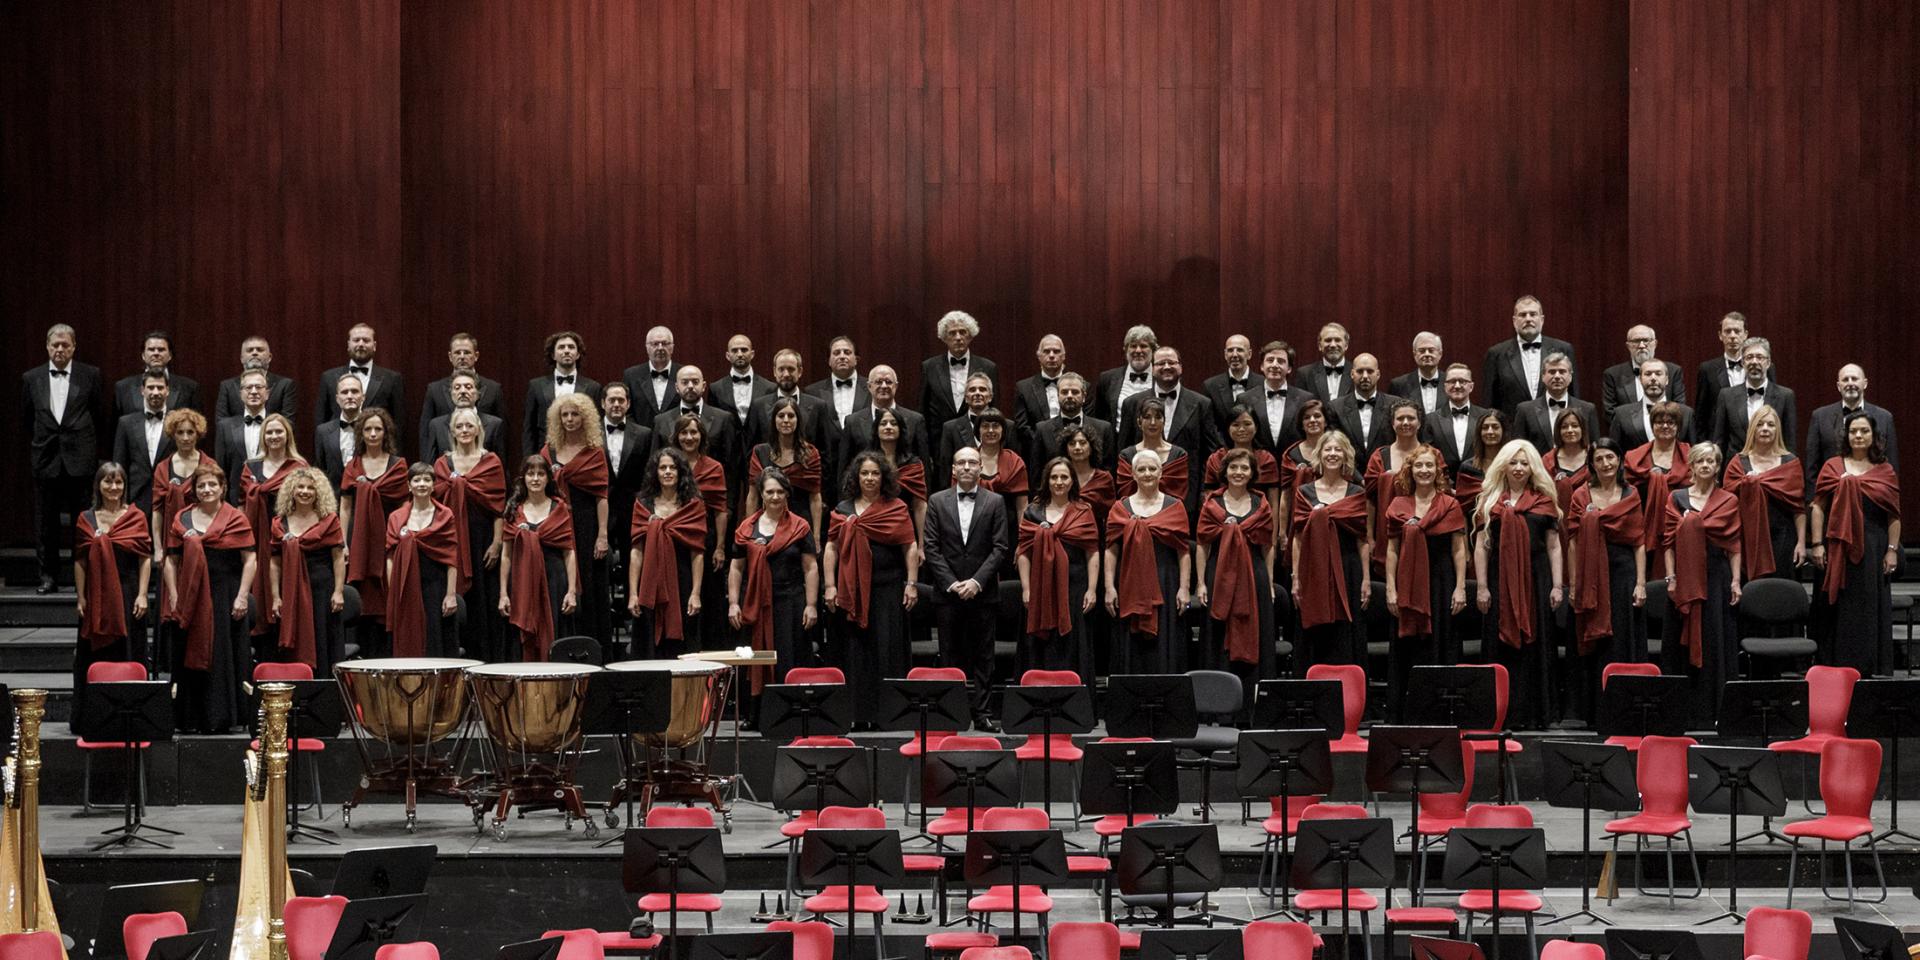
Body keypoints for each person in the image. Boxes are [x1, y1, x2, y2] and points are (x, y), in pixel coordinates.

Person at [1472, 440, 1564, 729]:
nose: (1519, 468)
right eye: (1514, 462)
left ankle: (1536, 714)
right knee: (1500, 643)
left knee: (1536, 645)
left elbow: (1554, 547)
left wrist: (1558, 585)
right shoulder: (1490, 501)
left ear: (1533, 467)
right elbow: (1482, 546)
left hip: (1536, 580)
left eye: (1525, 463)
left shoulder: (1544, 500)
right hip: (1500, 579)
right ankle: (1501, 712)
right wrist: (1482, 586)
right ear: (1504, 465)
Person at [822, 453, 919, 721]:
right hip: (851, 591)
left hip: (886, 591)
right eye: (864, 473)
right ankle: (854, 713)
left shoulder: (896, 507)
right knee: (854, 652)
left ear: (883, 477)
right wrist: (830, 585)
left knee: (885, 650)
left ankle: (887, 713)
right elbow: (831, 547)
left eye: (875, 473)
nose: (870, 478)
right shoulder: (842, 509)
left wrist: (911, 584)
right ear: (856, 477)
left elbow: (910, 545)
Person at [164, 462, 256, 733]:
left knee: (221, 655)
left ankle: (222, 717)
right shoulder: (182, 518)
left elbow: (250, 560)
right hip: (191, 598)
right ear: (194, 489)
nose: (207, 489)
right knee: (190, 653)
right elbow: (170, 561)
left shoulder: (236, 518)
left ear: (222, 488)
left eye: (212, 485)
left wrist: (242, 596)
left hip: (225, 595)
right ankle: (190, 719)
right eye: (201, 485)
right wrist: (173, 594)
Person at [1810, 414, 1902, 676]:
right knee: (1838, 607)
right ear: (1846, 435)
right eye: (1853, 431)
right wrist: (1817, 544)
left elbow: (1894, 515)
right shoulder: (1832, 466)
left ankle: (1869, 668)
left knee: (1868, 609)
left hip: (1873, 548)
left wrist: (1892, 551)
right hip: (1837, 548)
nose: (1858, 436)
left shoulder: (1885, 470)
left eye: (1864, 431)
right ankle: (1835, 668)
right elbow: (1817, 506)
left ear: (1874, 436)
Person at [925, 448, 1012, 726]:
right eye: (960, 462)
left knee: (984, 657)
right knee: (950, 655)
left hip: (983, 592)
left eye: (972, 462)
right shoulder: (936, 501)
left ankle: (983, 714)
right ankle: (954, 713)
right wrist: (951, 583)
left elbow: (1000, 548)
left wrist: (976, 582)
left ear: (980, 468)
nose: (966, 467)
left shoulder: (996, 501)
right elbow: (931, 547)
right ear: (952, 469)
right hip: (947, 594)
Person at [1383, 446, 1468, 719]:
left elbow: (1459, 549)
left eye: (1429, 466)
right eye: (1419, 466)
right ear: (1410, 470)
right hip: (1407, 587)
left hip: (1441, 585)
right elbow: (1392, 550)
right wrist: (1390, 588)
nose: (1424, 471)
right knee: (1409, 650)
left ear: (1438, 470)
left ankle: (1442, 712)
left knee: (1441, 645)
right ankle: (1408, 714)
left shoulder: (1450, 504)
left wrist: (1461, 587)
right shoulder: (1398, 505)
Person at [1660, 443, 1743, 717]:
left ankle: (1715, 708)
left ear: (1718, 467)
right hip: (1684, 578)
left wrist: (1735, 581)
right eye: (1700, 461)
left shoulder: (1728, 500)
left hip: (1716, 578)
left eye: (1711, 461)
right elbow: (1668, 542)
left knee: (1714, 640)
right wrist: (1670, 577)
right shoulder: (1676, 498)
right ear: (1691, 467)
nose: (1706, 465)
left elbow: (1734, 545)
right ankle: (1681, 709)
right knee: (1680, 642)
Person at [1567, 439, 1647, 720]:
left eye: (1610, 457)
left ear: (1620, 460)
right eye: (1599, 459)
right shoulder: (1580, 495)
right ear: (1592, 464)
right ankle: (1597, 711)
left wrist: (1640, 583)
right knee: (1596, 643)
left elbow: (1639, 541)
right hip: (1590, 577)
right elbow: (1573, 542)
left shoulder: (1631, 494)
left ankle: (1625, 709)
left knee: (1622, 638)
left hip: (1623, 574)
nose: (1606, 464)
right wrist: (1575, 582)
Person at [729, 468, 819, 708]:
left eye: (780, 492)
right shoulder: (747, 528)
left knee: (788, 657)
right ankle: (756, 712)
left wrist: (811, 605)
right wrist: (733, 603)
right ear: (761, 494)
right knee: (755, 659)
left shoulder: (800, 526)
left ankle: (789, 710)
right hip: (755, 605)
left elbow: (810, 568)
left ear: (787, 494)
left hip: (791, 601)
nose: (775, 497)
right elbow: (737, 568)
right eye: (770, 492)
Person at [24, 324, 103, 594]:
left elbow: (97, 414)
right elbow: (27, 419)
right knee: (46, 523)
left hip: (80, 461)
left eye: (65, 345)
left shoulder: (90, 375)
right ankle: (48, 576)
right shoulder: (31, 378)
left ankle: (88, 575)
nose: (60, 349)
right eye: (55, 345)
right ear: (47, 346)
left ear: (74, 347)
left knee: (84, 521)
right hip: (46, 460)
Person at [1195, 448, 1279, 698]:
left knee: (1256, 635)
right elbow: (1202, 545)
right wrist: (1200, 583)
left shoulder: (1261, 503)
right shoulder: (1212, 504)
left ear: (1252, 473)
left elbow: (1268, 547)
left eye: (1244, 468)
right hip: (1219, 575)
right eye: (1233, 467)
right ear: (1225, 471)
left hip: (1254, 576)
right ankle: (1219, 704)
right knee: (1217, 638)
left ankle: (1253, 708)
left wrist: (1271, 582)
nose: (1238, 472)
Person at [74, 463, 152, 719]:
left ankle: (131, 716)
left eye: (118, 482)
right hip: (95, 596)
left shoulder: (135, 516)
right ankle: (93, 716)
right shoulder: (85, 518)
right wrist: (81, 597)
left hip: (128, 593)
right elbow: (80, 561)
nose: (113, 487)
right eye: (108, 482)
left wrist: (142, 594)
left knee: (129, 652)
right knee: (94, 655)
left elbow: (145, 558)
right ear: (99, 485)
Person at [1105, 449, 1193, 672]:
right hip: (1129, 584)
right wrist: (1108, 587)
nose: (1147, 474)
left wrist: (1184, 588)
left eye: (1152, 469)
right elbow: (1111, 550)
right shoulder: (1120, 508)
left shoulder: (1175, 506)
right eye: (1141, 469)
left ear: (1161, 472)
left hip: (1165, 582)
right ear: (1133, 474)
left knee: (1165, 645)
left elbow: (1183, 551)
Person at [1290, 433, 1370, 666]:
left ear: (1345, 454)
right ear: (1319, 454)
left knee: (1347, 631)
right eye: (1328, 450)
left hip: (1348, 570)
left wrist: (1366, 579)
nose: (1332, 454)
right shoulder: (1304, 492)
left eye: (1338, 450)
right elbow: (1297, 538)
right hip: (1312, 570)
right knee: (1316, 631)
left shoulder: (1356, 493)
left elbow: (1362, 540)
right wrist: (1295, 577)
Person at [1016, 458, 1100, 679]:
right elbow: (1023, 553)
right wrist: (1026, 588)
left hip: (1075, 588)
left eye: (1064, 477)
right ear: (1047, 480)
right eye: (1054, 477)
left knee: (1074, 643)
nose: (1059, 482)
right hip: (1040, 587)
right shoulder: (1032, 512)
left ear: (1072, 481)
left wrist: (1092, 589)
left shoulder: (1083, 511)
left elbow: (1092, 552)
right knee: (1041, 643)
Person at [434, 408, 507, 661]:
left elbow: (499, 507)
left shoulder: (491, 462)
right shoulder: (442, 464)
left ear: (478, 429)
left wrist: (497, 543)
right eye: (459, 427)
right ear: (452, 432)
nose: (464, 431)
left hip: (483, 540)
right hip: (452, 541)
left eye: (469, 426)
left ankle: (487, 660)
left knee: (484, 602)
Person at [541, 393, 612, 643]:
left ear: (586, 418)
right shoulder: (548, 451)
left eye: (575, 414)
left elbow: (601, 496)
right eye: (565, 415)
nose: (570, 419)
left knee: (590, 584)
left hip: (586, 525)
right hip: (556, 525)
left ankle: (590, 644)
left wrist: (602, 536)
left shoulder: (595, 452)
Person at [340, 408, 408, 657]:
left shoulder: (398, 465)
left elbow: (403, 505)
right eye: (367, 429)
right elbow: (345, 506)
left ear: (386, 431)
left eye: (378, 428)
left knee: (385, 597)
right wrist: (343, 542)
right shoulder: (353, 465)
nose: (372, 433)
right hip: (357, 542)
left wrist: (397, 538)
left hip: (386, 540)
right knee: (360, 598)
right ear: (360, 433)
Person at [629, 448, 709, 659]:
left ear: (681, 472)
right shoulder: (643, 505)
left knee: (683, 648)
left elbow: (698, 553)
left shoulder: (693, 506)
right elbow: (636, 552)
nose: (667, 472)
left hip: (682, 585)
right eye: (662, 467)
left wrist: (696, 593)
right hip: (649, 586)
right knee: (649, 650)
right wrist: (633, 593)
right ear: (654, 472)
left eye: (672, 467)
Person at [238, 414, 306, 654]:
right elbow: (240, 504)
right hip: (256, 538)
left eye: (279, 431)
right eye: (269, 432)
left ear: (287, 435)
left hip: (287, 537)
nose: (274, 436)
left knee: (285, 588)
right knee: (259, 587)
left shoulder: (299, 467)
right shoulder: (251, 467)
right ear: (263, 437)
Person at [498, 456, 578, 660]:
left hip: (554, 581)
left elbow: (569, 552)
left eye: (540, 474)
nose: (535, 479)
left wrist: (571, 591)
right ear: (523, 478)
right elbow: (506, 555)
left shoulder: (559, 509)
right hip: (522, 582)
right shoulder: (514, 509)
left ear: (548, 479)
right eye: (530, 474)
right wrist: (503, 593)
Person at [269, 467, 345, 675]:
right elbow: (274, 562)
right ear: (291, 491)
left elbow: (338, 558)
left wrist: (338, 591)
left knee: (323, 640)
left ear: (318, 492)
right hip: (291, 591)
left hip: (322, 590)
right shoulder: (279, 523)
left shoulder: (329, 521)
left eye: (311, 488)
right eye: (300, 487)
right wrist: (276, 596)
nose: (305, 491)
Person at [385, 463, 463, 658]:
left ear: (433, 485)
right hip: (406, 588)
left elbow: (452, 558)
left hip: (436, 586)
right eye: (417, 480)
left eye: (427, 479)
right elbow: (390, 558)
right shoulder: (396, 517)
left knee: (435, 642)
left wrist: (451, 594)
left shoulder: (445, 515)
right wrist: (393, 590)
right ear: (409, 486)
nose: (422, 484)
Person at [1724, 405, 1806, 582]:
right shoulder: (1738, 462)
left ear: (1778, 429)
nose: (1765, 429)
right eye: (1760, 424)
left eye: (1770, 424)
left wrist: (1801, 542)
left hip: (1783, 537)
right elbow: (1726, 506)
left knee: (1781, 590)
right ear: (1752, 428)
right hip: (1747, 538)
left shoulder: (1790, 462)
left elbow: (1798, 508)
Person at [671, 413, 733, 646]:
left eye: (694, 432)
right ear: (677, 436)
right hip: (675, 541)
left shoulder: (714, 467)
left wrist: (719, 547)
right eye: (684, 432)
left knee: (710, 599)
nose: (689, 437)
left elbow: (720, 510)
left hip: (705, 540)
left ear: (702, 436)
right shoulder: (668, 465)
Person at [1118, 346, 1222, 461]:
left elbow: (1210, 453)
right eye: (1161, 363)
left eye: (1171, 362)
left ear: (1181, 367)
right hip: (1144, 476)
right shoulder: (1132, 404)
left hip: (1187, 478)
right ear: (1152, 369)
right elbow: (1124, 452)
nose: (1166, 367)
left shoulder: (1202, 404)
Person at [1624, 402, 1691, 579]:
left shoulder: (1691, 456)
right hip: (1643, 532)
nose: (1665, 426)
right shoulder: (1634, 458)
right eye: (1660, 422)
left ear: (1678, 426)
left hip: (1681, 532)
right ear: (1652, 425)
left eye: (1671, 422)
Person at [744, 396, 825, 541]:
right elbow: (752, 496)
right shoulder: (760, 452)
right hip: (767, 521)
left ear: (798, 420)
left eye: (791, 416)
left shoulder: (810, 454)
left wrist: (817, 535)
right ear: (774, 420)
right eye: (781, 416)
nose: (786, 420)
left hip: (801, 522)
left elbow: (815, 497)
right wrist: (749, 529)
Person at [1804, 364, 1899, 486]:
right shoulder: (1820, 416)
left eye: (1854, 379)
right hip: (1831, 498)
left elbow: (1892, 465)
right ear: (1839, 386)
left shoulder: (1884, 417)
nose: (1850, 383)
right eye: (1845, 380)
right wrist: (1812, 501)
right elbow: (1811, 465)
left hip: (1873, 496)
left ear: (1865, 383)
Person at [1482, 295, 1577, 416]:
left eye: (1533, 314)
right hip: (1513, 431)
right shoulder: (1496, 354)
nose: (1528, 319)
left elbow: (1573, 396)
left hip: (1555, 428)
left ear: (1542, 319)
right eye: (1522, 315)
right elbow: (1488, 402)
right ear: (1514, 321)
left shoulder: (1564, 349)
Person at [1707, 337, 1797, 456]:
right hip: (1736, 469)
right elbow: (1720, 441)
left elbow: (1789, 442)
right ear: (1743, 363)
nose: (1754, 361)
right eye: (1749, 357)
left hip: (1772, 469)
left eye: (1759, 357)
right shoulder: (1726, 396)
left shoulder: (1785, 396)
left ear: (1768, 363)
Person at [416, 332, 506, 453]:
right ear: (450, 356)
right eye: (457, 352)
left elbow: (501, 433)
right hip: (445, 460)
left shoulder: (493, 389)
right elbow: (426, 433)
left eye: (467, 352)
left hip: (483, 458)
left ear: (476, 355)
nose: (462, 356)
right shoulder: (434, 389)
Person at [1364, 400, 1426, 568]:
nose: (1405, 423)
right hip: (1387, 532)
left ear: (1419, 423)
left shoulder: (1431, 456)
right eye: (1400, 418)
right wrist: (1369, 537)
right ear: (1392, 423)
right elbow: (1370, 500)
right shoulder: (1379, 457)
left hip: (1424, 532)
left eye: (1411, 418)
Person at [524, 331, 604, 457]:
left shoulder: (593, 387)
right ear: (553, 355)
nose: (566, 351)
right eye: (561, 347)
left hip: (581, 454)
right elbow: (529, 428)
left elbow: (597, 427)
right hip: (545, 454)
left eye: (571, 347)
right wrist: (529, 460)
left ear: (578, 354)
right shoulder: (536, 386)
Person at [921, 310, 998, 431]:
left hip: (976, 437)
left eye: (962, 332)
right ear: (944, 338)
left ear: (970, 336)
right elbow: (923, 409)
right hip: (938, 441)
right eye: (952, 333)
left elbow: (993, 408)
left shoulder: (988, 367)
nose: (958, 337)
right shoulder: (929, 367)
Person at [317, 323, 406, 428]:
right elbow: (320, 421)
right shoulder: (328, 378)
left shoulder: (392, 379)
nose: (361, 344)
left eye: (366, 340)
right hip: (339, 443)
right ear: (348, 345)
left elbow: (399, 424)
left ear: (375, 346)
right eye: (356, 340)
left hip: (376, 442)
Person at [1029, 372, 1118, 476]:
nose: (1070, 396)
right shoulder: (1042, 429)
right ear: (1058, 396)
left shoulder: (1103, 428)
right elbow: (1036, 473)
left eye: (1075, 392)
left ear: (1084, 396)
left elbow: (1108, 470)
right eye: (1064, 392)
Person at [113, 369, 174, 514]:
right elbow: (120, 464)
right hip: (135, 497)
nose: (155, 392)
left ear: (167, 391)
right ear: (142, 390)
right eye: (150, 387)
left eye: (160, 387)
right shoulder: (125, 423)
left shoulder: (178, 422)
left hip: (169, 497)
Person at [1209, 404, 1284, 519]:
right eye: (1235, 425)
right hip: (1223, 522)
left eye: (1247, 424)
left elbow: (1273, 503)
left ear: (1256, 427)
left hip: (1260, 523)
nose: (1242, 429)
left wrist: (1273, 535)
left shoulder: (1267, 459)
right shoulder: (1217, 458)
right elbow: (1208, 497)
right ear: (1228, 428)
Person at [1600, 326, 1683, 426]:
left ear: (1655, 344)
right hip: (1629, 438)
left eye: (1646, 340)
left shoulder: (1673, 371)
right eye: (1636, 341)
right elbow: (1610, 413)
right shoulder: (1613, 374)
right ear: (1628, 346)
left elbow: (1679, 407)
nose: (1642, 345)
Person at [1514, 352, 1598, 453]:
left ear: (1570, 377)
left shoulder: (1587, 409)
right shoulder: (1525, 410)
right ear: (1543, 377)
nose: (1557, 376)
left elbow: (1594, 448)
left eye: (1562, 371)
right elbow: (1518, 448)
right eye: (1552, 372)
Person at [421, 368, 507, 462]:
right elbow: (430, 466)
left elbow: (500, 465)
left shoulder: (494, 425)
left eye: (468, 387)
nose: (463, 391)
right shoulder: (436, 425)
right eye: (457, 388)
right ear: (451, 394)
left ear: (478, 393)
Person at [1609, 356, 1695, 448]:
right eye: (1648, 374)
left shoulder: (1686, 413)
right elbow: (1614, 453)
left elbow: (1694, 453)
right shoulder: (1622, 414)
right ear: (1640, 380)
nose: (1653, 378)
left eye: (1658, 374)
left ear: (1667, 380)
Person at [112, 331, 199, 419]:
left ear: (170, 355)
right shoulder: (123, 388)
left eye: (161, 350)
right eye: (151, 349)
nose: (156, 353)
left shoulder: (189, 388)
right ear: (143, 355)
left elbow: (197, 426)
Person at [870, 407, 930, 534]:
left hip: (906, 527)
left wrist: (921, 545)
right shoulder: (868, 463)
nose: (888, 427)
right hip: (872, 526)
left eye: (894, 423)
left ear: (900, 429)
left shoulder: (913, 464)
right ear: (876, 430)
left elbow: (920, 506)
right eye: (883, 423)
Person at [1329, 353, 1399, 461]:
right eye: (1360, 371)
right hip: (1348, 473)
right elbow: (1335, 445)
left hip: (1385, 471)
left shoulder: (1394, 405)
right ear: (1352, 374)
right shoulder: (1336, 407)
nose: (1365, 376)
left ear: (1378, 374)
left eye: (1370, 371)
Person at [215, 335, 298, 421]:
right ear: (241, 358)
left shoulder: (285, 385)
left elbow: (288, 423)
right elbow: (221, 423)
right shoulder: (227, 386)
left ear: (270, 357)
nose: (254, 353)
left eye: (260, 350)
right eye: (249, 350)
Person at [1420, 364, 1488, 471]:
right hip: (1443, 482)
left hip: (1479, 481)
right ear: (1445, 386)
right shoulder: (1431, 420)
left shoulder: (1485, 416)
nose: (1457, 386)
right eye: (1452, 381)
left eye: (1462, 381)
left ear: (1471, 386)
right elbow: (1429, 455)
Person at [1694, 311, 1759, 417]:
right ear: (1720, 335)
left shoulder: (1763, 367)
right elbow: (1701, 413)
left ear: (1745, 335)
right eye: (1728, 331)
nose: (1732, 336)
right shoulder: (1707, 369)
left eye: (1737, 331)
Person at [975, 409, 1029, 538]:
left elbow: (1022, 507)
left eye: (996, 426)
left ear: (1003, 430)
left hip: (1007, 530)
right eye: (985, 426)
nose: (991, 430)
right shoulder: (966, 459)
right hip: (973, 528)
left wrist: (1023, 540)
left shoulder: (1014, 461)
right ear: (977, 430)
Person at [1094, 325, 1159, 422]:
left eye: (1143, 346)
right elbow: (1100, 418)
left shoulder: (1161, 379)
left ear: (1153, 350)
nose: (1138, 350)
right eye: (1133, 346)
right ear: (1125, 350)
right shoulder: (1107, 379)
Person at [707, 334, 774, 426]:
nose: (739, 354)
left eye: (744, 350)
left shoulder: (769, 388)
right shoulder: (715, 389)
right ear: (728, 355)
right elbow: (713, 423)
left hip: (759, 440)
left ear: (752, 354)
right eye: (734, 350)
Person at [313, 373, 364, 490]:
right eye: (344, 392)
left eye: (355, 391)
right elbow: (320, 470)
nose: (350, 396)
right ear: (337, 399)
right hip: (333, 500)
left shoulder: (373, 428)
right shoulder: (323, 431)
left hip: (365, 499)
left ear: (363, 397)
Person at [622, 325, 681, 427]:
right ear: (647, 347)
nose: (660, 348)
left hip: (676, 438)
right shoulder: (631, 375)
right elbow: (627, 411)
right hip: (642, 439)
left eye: (665, 343)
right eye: (655, 344)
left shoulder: (683, 373)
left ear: (672, 347)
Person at [1250, 341, 1301, 457]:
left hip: (1293, 466)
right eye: (1270, 360)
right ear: (1262, 366)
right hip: (1258, 466)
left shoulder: (1304, 399)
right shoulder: (1245, 399)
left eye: (1281, 361)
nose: (1274, 365)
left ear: (1289, 368)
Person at [1014, 334, 1069, 436]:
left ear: (1063, 356)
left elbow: (1086, 423)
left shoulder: (1079, 386)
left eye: (1056, 351)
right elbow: (1022, 427)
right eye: (1046, 351)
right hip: (1037, 448)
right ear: (1039, 356)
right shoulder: (1023, 388)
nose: (1051, 355)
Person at [1202, 334, 1258, 427]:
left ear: (1249, 354)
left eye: (1240, 350)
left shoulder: (1262, 383)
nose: (1234, 354)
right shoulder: (1210, 386)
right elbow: (1209, 424)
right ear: (1225, 354)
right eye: (1230, 350)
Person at [1543, 409, 1592, 517]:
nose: (1570, 430)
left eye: (1575, 425)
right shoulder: (1548, 460)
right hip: (1555, 518)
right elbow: (1543, 495)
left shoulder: (1595, 456)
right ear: (1558, 431)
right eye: (1564, 427)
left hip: (1589, 516)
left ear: (1582, 429)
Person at [1453, 411, 1509, 502]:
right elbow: (1462, 503)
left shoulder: (1512, 465)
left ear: (1503, 431)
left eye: (1495, 427)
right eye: (1485, 428)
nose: (1490, 431)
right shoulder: (1467, 467)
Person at [1388, 331, 1447, 415]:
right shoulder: (1399, 385)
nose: (1427, 354)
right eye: (1422, 351)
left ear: (1440, 353)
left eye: (1431, 350)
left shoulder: (1450, 382)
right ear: (1414, 354)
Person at [1292, 323, 1353, 403]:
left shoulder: (1357, 372)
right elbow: (1301, 408)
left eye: (1338, 340)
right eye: (1328, 340)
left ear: (1346, 345)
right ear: (1320, 346)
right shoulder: (1305, 374)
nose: (1333, 345)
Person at [1280, 399, 1333, 489]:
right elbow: (1286, 493)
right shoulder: (1291, 454)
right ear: (1302, 425)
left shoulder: (1337, 450)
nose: (1312, 420)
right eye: (1306, 417)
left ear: (1326, 422)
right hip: (1299, 502)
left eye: (1317, 416)